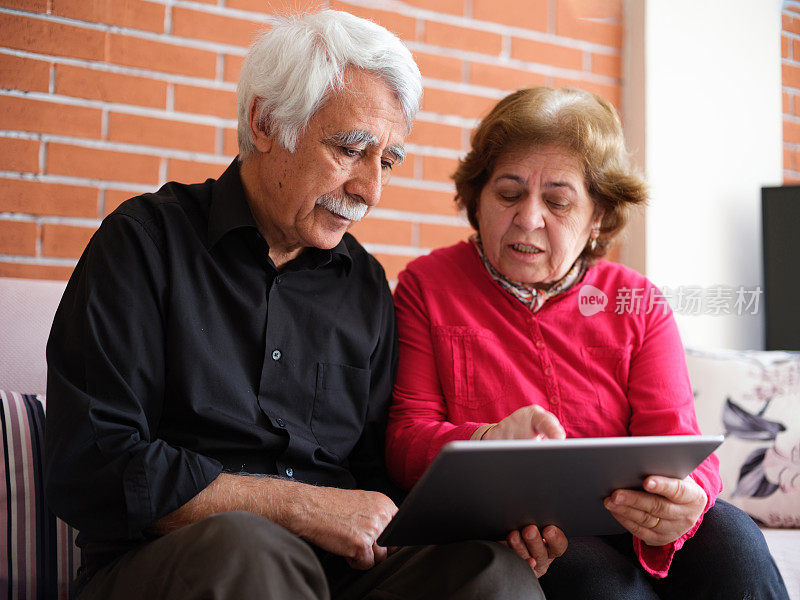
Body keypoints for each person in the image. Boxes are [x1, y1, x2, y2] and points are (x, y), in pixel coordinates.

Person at [44, 11, 554, 600]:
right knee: (251, 552)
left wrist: (493, 486)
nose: (371, 190)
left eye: (386, 161)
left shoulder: (363, 283)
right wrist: (297, 507)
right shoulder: (144, 244)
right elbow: (92, 464)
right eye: (349, 149)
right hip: (173, 564)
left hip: (336, 574)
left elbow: (374, 478)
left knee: (493, 574)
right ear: (266, 123)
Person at [385, 86, 790, 599]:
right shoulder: (428, 286)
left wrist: (687, 497)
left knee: (735, 539)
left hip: (630, 520)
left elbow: (677, 438)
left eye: (557, 201)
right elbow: (403, 441)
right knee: (597, 580)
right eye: (509, 194)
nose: (529, 218)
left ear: (598, 216)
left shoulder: (635, 299)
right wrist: (487, 440)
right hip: (526, 534)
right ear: (477, 197)